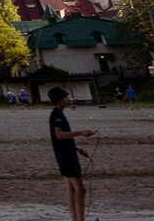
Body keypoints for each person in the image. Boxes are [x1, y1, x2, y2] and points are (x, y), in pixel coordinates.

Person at [48, 87, 93, 221]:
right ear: (60, 100)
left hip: (66, 155)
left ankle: (75, 218)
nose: (68, 100)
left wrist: (77, 149)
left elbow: (62, 138)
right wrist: (81, 133)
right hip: (66, 158)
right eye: (66, 98)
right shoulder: (56, 115)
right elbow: (59, 135)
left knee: (71, 190)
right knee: (80, 190)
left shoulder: (58, 113)